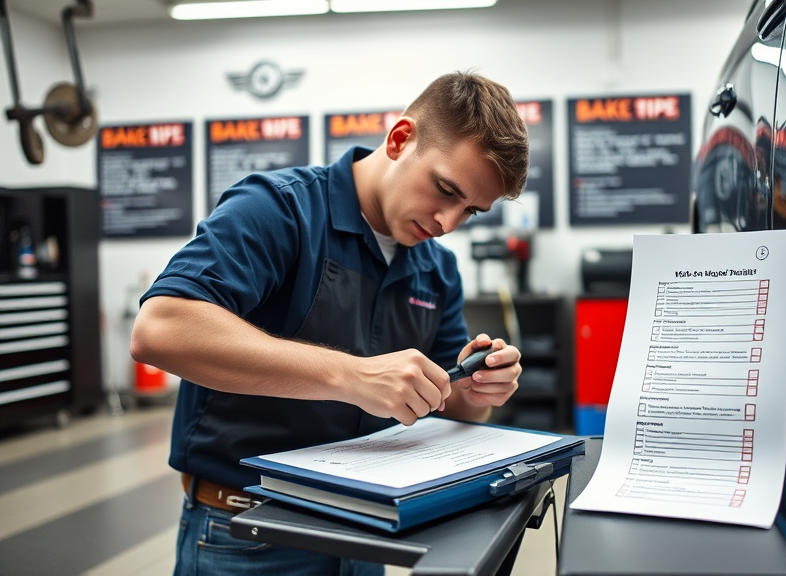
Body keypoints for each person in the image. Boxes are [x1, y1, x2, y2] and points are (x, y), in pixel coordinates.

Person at [130, 71, 531, 576]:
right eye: (445, 189)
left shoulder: (436, 268)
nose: (447, 223)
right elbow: (159, 329)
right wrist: (350, 376)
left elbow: (450, 406)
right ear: (400, 139)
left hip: (368, 535)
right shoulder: (279, 209)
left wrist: (476, 391)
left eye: (469, 211)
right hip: (250, 538)